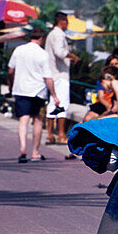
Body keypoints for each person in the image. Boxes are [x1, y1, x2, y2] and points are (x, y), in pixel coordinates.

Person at [8, 26, 60, 163]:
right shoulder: (43, 54)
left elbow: (10, 71)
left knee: (23, 120)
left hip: (20, 89)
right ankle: (35, 152)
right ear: (42, 38)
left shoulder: (18, 50)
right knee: (37, 119)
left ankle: (22, 149)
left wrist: (11, 85)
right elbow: (48, 78)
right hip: (38, 91)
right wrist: (54, 95)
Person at [44, 11, 79, 146]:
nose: (67, 24)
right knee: (63, 103)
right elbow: (60, 52)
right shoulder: (58, 35)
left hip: (52, 74)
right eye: (66, 22)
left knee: (52, 103)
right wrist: (72, 56)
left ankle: (50, 135)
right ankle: (61, 135)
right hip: (60, 75)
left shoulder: (51, 34)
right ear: (62, 21)